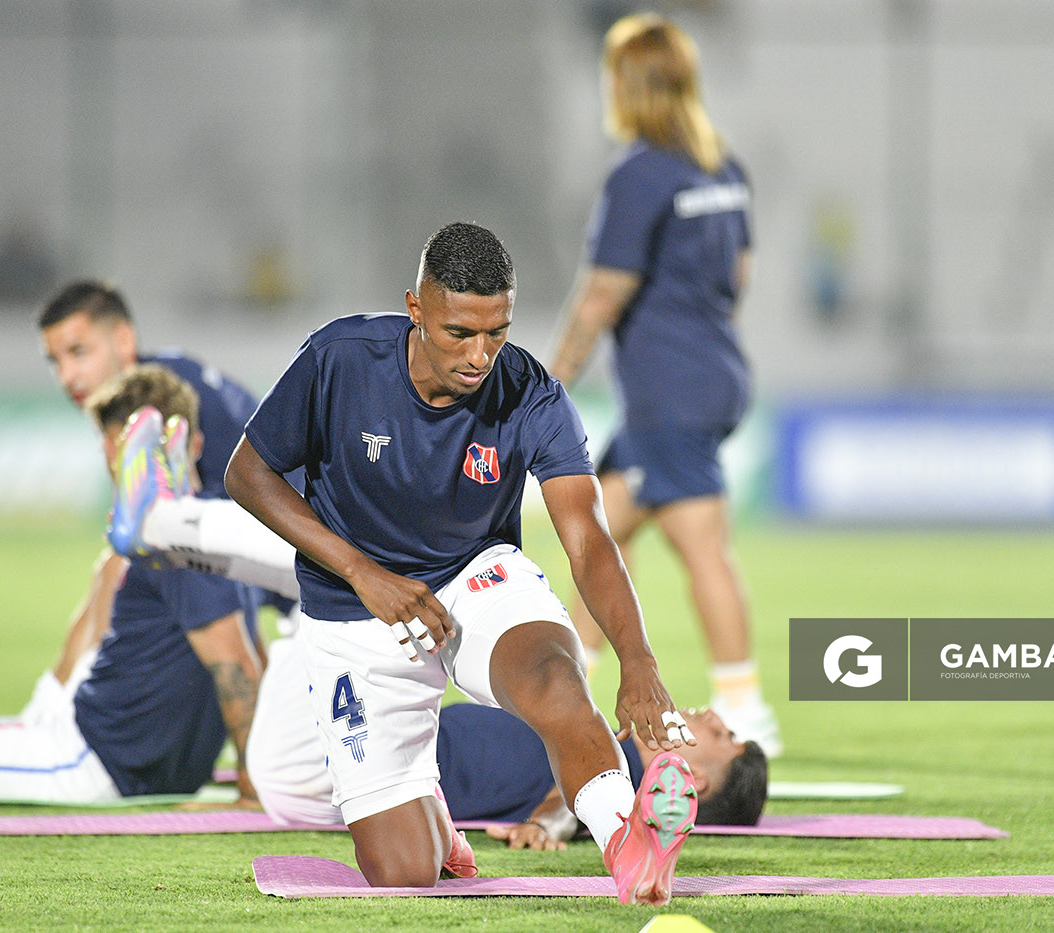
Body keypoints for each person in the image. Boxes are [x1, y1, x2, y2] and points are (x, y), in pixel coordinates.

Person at [223, 221, 698, 905]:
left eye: (497, 331)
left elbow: (590, 538)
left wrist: (639, 660)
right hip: (354, 610)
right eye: (459, 333)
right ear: (415, 310)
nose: (481, 355)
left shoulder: (531, 392)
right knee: (403, 871)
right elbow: (249, 474)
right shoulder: (340, 358)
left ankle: (628, 842)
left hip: (475, 577)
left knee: (553, 677)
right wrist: (362, 571)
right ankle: (435, 819)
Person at [0, 366, 263, 804]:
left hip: (90, 759)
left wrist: (253, 791)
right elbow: (251, 654)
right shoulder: (214, 535)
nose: (113, 461)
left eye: (125, 448)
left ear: (191, 445)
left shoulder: (172, 544)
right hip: (86, 740)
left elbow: (235, 663)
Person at [547, 13, 780, 757]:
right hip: (710, 372)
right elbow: (736, 278)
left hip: (669, 390)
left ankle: (747, 713)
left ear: (627, 84)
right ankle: (575, 693)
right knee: (599, 534)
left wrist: (548, 383)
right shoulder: (724, 169)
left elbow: (603, 293)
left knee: (699, 543)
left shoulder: (640, 174)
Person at [241, 633, 768, 846]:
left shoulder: (614, 777)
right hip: (330, 774)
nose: (712, 716)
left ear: (691, 778)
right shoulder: (602, 746)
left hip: (328, 761)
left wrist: (547, 824)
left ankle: (170, 517)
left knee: (351, 567)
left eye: (722, 734)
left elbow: (577, 802)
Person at [29, 280, 286, 711]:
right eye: (55, 361)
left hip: (296, 539)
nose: (66, 376)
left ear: (124, 340)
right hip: (279, 540)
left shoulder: (145, 406)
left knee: (120, 570)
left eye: (78, 352)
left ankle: (56, 710)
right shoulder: (164, 381)